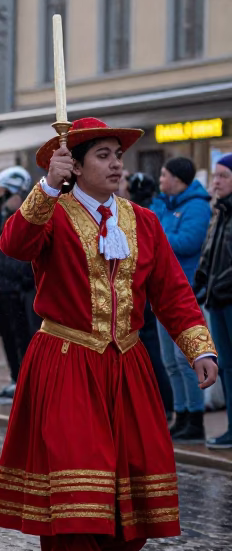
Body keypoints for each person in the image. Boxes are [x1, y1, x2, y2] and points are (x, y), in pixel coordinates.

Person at [0, 117, 217, 551]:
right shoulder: (52, 213)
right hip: (67, 360)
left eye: (119, 154)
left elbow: (173, 292)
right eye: (104, 155)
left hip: (127, 363)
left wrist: (199, 348)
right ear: (76, 166)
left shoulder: (145, 221)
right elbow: (13, 244)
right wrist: (47, 185)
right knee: (74, 472)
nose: (117, 164)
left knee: (125, 472)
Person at [151, 157, 213, 442]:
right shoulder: (164, 202)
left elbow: (189, 241)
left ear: (177, 179)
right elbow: (145, 233)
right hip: (159, 289)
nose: (160, 179)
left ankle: (195, 419)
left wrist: (159, 239)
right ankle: (181, 414)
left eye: (164, 175)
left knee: (184, 356)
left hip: (184, 289)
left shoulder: (197, 205)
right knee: (169, 360)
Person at [0, 167, 39, 405]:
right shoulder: (0, 217)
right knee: (8, 336)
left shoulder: (29, 216)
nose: (1, 198)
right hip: (3, 288)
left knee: (24, 336)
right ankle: (16, 378)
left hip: (21, 290)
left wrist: (25, 278)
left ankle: (29, 383)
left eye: (6, 193)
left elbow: (32, 253)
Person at [126, 173, 175, 418]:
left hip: (145, 295)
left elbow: (175, 243)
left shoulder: (151, 214)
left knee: (156, 356)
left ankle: (166, 405)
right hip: (136, 295)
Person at [193, 154, 232, 449]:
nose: (216, 182)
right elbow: (208, 254)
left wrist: (217, 283)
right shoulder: (220, 212)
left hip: (227, 298)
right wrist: (200, 283)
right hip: (217, 301)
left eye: (223, 177)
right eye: (216, 176)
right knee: (227, 367)